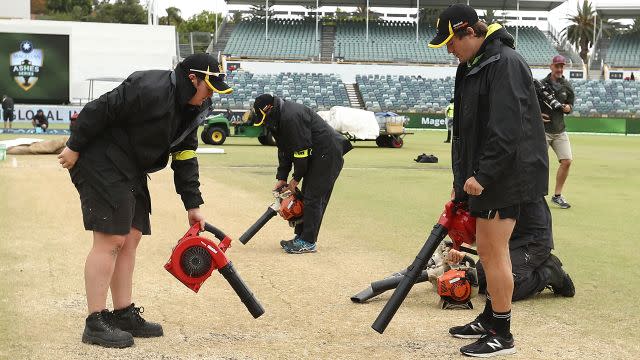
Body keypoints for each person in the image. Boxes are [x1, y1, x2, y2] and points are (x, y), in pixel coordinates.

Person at [57, 53, 233, 348]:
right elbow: (98, 109)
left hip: (131, 166)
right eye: (208, 88)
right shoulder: (149, 87)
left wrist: (193, 204)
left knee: (132, 236)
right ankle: (95, 322)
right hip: (100, 158)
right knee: (112, 238)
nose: (209, 97)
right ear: (193, 79)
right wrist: (74, 147)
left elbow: (186, 155)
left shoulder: (196, 107)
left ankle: (123, 313)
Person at [429, 4, 549, 357]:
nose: (449, 50)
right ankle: (488, 317)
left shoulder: (505, 63)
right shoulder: (476, 64)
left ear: (469, 32)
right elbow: (470, 131)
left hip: (506, 174)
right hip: (489, 172)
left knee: (495, 254)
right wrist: (462, 177)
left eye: (451, 42)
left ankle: (502, 333)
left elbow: (507, 128)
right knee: (486, 251)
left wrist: (483, 175)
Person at [248, 94, 352, 254]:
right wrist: (282, 178)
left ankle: (308, 242)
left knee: (313, 197)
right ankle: (301, 237)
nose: (265, 123)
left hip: (327, 153)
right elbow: (284, 151)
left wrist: (295, 179)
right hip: (315, 154)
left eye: (264, 119)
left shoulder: (291, 117)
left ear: (269, 110)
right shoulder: (276, 119)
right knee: (306, 197)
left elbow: (300, 153)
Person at [446, 198, 575, 302]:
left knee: (505, 291)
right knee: (479, 282)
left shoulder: (508, 175)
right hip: (506, 238)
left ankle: (549, 271)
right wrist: (462, 248)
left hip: (533, 240)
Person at [540, 55, 575, 209]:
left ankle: (557, 195)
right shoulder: (540, 85)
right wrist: (538, 115)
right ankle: (535, 197)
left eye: (562, 66)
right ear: (551, 66)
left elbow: (570, 105)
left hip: (559, 130)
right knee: (538, 164)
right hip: (542, 131)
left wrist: (568, 108)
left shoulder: (567, 86)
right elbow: (529, 104)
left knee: (567, 161)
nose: (560, 69)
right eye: (557, 66)